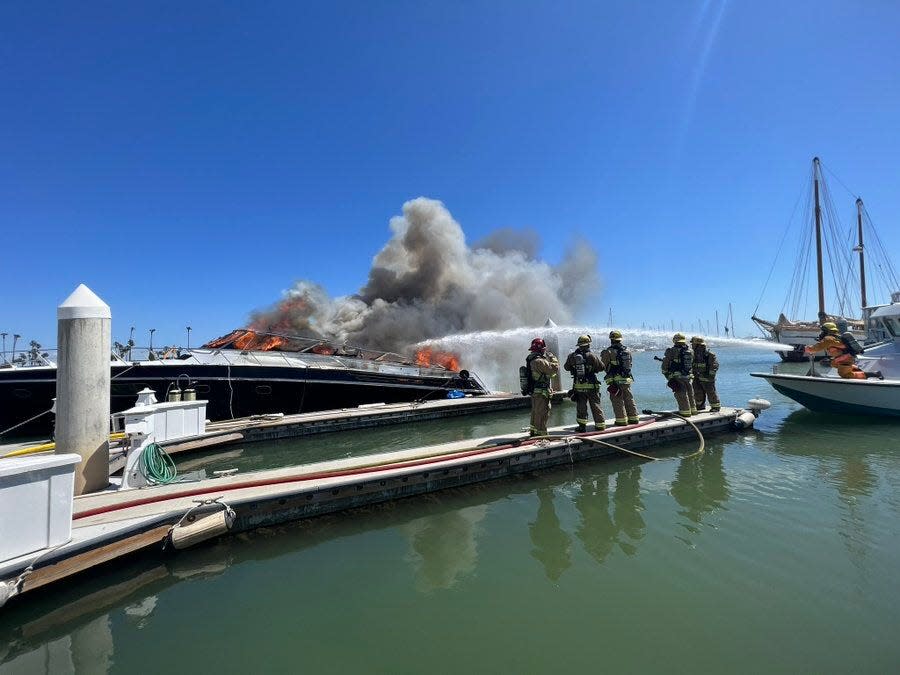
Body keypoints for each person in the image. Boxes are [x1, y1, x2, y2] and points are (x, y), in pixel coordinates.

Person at [805, 322, 882, 379]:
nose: (821, 333)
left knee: (845, 375)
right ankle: (855, 368)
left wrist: (809, 349)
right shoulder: (835, 337)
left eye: (822, 331)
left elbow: (818, 347)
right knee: (833, 363)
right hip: (844, 357)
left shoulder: (829, 339)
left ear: (826, 331)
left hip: (845, 358)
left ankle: (873, 374)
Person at [564, 334, 605, 432]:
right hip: (591, 385)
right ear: (588, 345)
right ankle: (600, 426)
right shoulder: (592, 355)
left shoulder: (572, 356)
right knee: (595, 405)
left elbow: (566, 367)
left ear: (578, 345)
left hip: (579, 386)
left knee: (581, 406)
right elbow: (602, 367)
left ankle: (582, 427)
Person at [600, 330, 639, 426]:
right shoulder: (627, 351)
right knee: (629, 398)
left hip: (614, 381)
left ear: (611, 339)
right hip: (627, 380)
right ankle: (634, 418)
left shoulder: (608, 351)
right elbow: (630, 364)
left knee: (617, 401)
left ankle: (621, 421)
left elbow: (603, 366)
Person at [526, 337, 559, 436]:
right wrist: (553, 358)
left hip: (535, 391)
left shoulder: (530, 359)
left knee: (536, 412)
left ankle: (534, 431)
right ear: (541, 349)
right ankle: (542, 435)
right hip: (541, 392)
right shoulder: (539, 361)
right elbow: (554, 369)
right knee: (543, 413)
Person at [661, 333, 697, 416]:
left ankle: (685, 412)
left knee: (681, 394)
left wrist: (667, 375)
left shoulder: (671, 350)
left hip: (677, 376)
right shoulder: (690, 351)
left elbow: (665, 365)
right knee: (690, 393)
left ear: (674, 340)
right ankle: (693, 410)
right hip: (688, 376)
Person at [690, 336, 720, 412]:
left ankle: (715, 407)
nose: (692, 345)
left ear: (698, 345)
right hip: (696, 376)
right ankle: (700, 405)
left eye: (693, 344)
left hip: (707, 378)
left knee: (711, 392)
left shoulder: (709, 354)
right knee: (697, 391)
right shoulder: (693, 354)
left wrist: (710, 376)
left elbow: (714, 366)